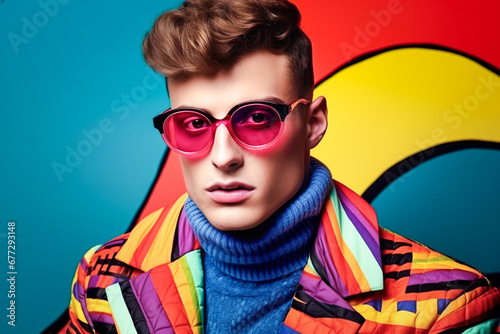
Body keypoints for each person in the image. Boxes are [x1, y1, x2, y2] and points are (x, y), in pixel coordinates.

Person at [64, 0, 500, 333]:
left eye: (256, 118)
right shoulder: (100, 280)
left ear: (312, 123)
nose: (223, 156)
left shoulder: (444, 307)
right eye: (193, 123)